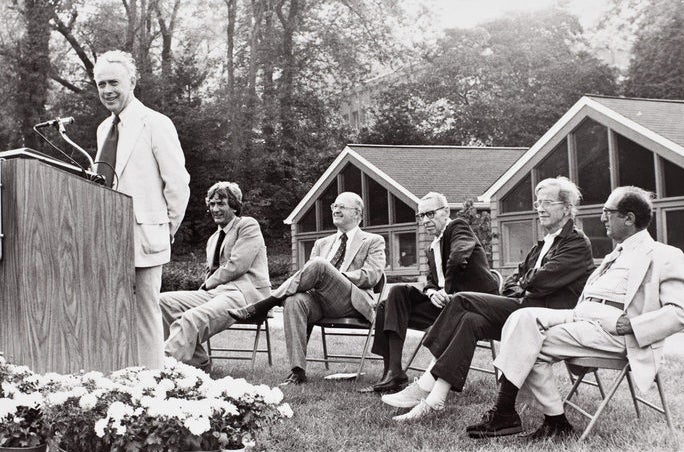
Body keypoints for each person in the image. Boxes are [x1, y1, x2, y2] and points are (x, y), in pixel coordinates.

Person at [468, 186, 684, 441]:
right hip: (582, 316)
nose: (602, 218)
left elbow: (679, 312)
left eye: (608, 212)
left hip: (616, 330)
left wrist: (634, 326)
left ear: (629, 218)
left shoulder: (664, 255)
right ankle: (519, 416)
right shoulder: (616, 254)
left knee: (531, 343)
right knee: (520, 317)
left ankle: (539, 420)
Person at [383, 176, 595, 422]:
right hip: (523, 308)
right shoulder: (542, 245)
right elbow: (516, 278)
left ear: (567, 208)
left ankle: (428, 381)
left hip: (546, 316)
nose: (539, 208)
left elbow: (540, 281)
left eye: (547, 202)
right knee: (470, 320)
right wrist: (523, 284)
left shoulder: (576, 242)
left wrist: (524, 283)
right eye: (537, 202)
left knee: (460, 300)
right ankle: (435, 400)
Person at [93, 50, 190, 369]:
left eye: (114, 83)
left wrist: (165, 228)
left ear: (132, 82)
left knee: (146, 313)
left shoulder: (156, 123)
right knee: (111, 313)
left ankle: (150, 387)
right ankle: (117, 378)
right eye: (101, 83)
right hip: (107, 237)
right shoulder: (102, 129)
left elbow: (177, 183)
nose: (107, 90)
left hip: (146, 237)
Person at [228, 191, 386, 385]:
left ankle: (263, 305)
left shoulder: (373, 240)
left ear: (357, 213)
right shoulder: (322, 243)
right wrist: (324, 274)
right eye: (334, 206)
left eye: (341, 207)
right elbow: (307, 276)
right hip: (319, 301)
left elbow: (372, 275)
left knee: (320, 265)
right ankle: (298, 372)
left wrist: (334, 276)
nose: (336, 210)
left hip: (351, 301)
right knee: (294, 300)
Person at [360, 192, 499, 393]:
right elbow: (431, 282)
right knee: (393, 298)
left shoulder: (457, 227)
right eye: (421, 216)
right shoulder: (432, 247)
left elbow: (459, 257)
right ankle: (393, 373)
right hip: (444, 306)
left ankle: (397, 376)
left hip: (472, 305)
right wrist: (433, 292)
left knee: (392, 301)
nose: (425, 220)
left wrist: (448, 292)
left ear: (446, 212)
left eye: (430, 214)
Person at [159, 182, 270, 372]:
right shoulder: (212, 239)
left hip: (244, 294)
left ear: (234, 205)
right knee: (163, 302)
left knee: (192, 317)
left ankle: (160, 366)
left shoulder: (247, 225)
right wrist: (207, 285)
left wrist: (207, 284)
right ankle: (199, 362)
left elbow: (237, 266)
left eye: (221, 203)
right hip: (216, 292)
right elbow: (211, 273)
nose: (215, 209)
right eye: (212, 204)